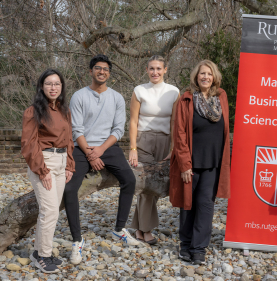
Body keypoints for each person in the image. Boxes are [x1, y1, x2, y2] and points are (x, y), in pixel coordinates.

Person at [65, 54, 140, 265]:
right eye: (98, 68)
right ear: (90, 72)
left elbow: (118, 129)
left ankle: (119, 229)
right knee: (70, 189)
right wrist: (90, 153)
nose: (102, 71)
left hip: (108, 146)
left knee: (130, 180)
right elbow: (76, 129)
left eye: (106, 69)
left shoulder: (116, 97)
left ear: (109, 73)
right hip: (82, 147)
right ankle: (77, 241)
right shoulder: (79, 96)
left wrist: (101, 151)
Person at [169, 60, 231, 265]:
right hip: (191, 164)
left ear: (215, 77)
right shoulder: (186, 99)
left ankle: (199, 249)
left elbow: (225, 129)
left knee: (205, 206)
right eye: (202, 73)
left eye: (209, 74)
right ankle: (185, 245)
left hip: (213, 163)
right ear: (196, 76)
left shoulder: (221, 97)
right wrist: (185, 164)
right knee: (188, 205)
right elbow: (179, 133)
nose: (205, 77)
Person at [21, 69, 75, 273]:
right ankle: (43, 256)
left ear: (62, 87)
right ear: (41, 87)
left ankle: (38, 252)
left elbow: (69, 139)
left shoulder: (64, 110)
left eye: (57, 84)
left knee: (51, 210)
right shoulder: (33, 111)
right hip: (44, 162)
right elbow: (28, 144)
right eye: (49, 84)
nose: (53, 87)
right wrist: (42, 171)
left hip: (61, 162)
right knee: (50, 210)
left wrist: (70, 164)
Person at [128, 55, 180, 245]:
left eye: (158, 69)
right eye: (151, 68)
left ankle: (139, 227)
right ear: (147, 70)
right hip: (144, 140)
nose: (155, 72)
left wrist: (174, 147)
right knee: (147, 183)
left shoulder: (174, 92)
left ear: (165, 70)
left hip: (165, 141)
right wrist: (132, 148)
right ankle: (147, 230)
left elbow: (175, 122)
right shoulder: (139, 91)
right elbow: (133, 121)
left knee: (155, 186)